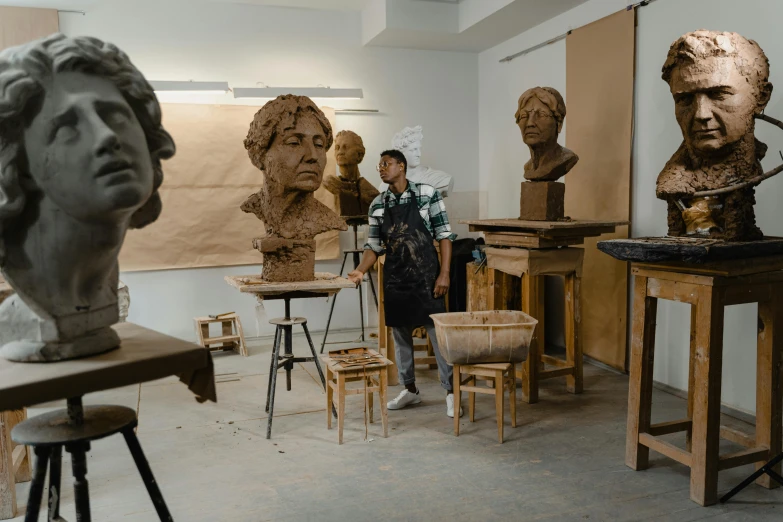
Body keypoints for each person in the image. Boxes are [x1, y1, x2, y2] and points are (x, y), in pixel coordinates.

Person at [0, 34, 175, 362]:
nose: (107, 136)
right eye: (66, 128)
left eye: (115, 115)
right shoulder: (35, 301)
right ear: (21, 167)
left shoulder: (102, 279)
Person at [347, 149, 462, 418]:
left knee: (438, 335)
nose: (381, 168)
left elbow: (444, 236)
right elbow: (373, 247)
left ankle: (450, 392)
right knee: (400, 337)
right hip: (396, 279)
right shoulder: (377, 204)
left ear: (401, 166)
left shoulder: (426, 194)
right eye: (379, 165)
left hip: (427, 277)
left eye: (386, 164)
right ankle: (410, 390)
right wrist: (361, 270)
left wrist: (444, 274)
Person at [656, 31, 773, 241]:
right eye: (685, 100)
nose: (701, 114)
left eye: (718, 94)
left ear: (761, 97)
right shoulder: (673, 178)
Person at [516, 87, 578, 181]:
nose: (530, 123)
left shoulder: (565, 159)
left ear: (559, 124)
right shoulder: (528, 167)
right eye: (524, 116)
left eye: (542, 114)